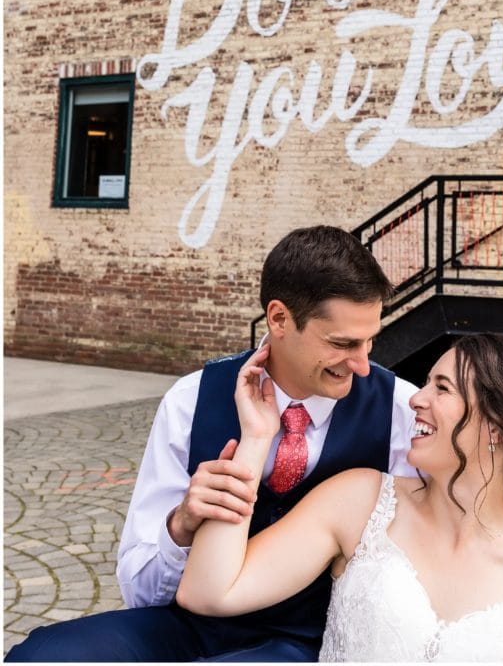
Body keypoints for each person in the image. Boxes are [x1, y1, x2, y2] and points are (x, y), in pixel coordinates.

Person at [6, 226, 418, 663]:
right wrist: (181, 525)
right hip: (187, 626)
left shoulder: (404, 411)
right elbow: (139, 592)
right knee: (45, 655)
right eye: (342, 343)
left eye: (369, 340)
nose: (363, 364)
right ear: (278, 319)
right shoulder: (190, 400)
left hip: (309, 641)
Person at [176, 333, 503, 663]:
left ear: (499, 426)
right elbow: (210, 591)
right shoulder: (359, 501)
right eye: (425, 384)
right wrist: (255, 440)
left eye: (442, 388)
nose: (416, 400)